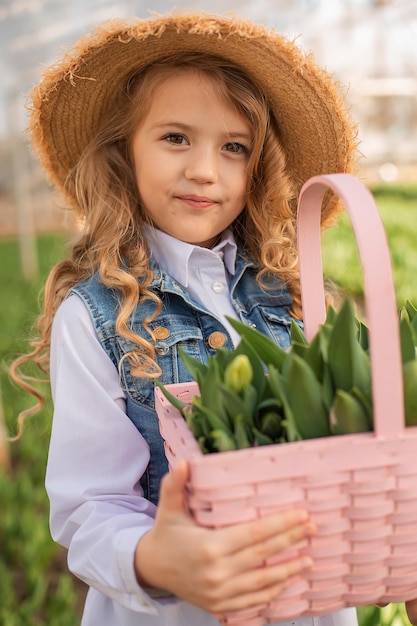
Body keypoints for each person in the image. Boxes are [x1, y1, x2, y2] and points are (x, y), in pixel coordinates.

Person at [12, 11, 415, 626]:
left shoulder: (289, 295)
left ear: (257, 167)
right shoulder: (96, 316)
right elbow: (88, 508)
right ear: (124, 152)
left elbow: (339, 452)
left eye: (234, 147)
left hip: (305, 602)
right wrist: (156, 559)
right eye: (176, 138)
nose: (206, 169)